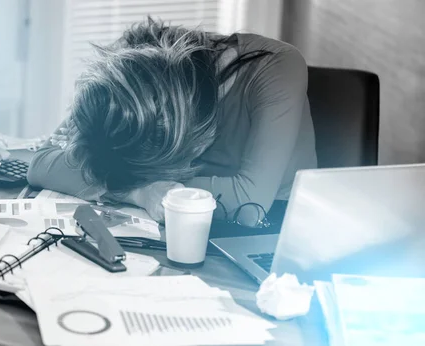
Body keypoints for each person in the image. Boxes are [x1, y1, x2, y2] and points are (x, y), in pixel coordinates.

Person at [27, 18, 317, 226]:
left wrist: (134, 188)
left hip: (269, 226)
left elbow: (248, 204)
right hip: (162, 217)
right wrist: (140, 192)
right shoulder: (130, 58)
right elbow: (41, 165)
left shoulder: (279, 66)